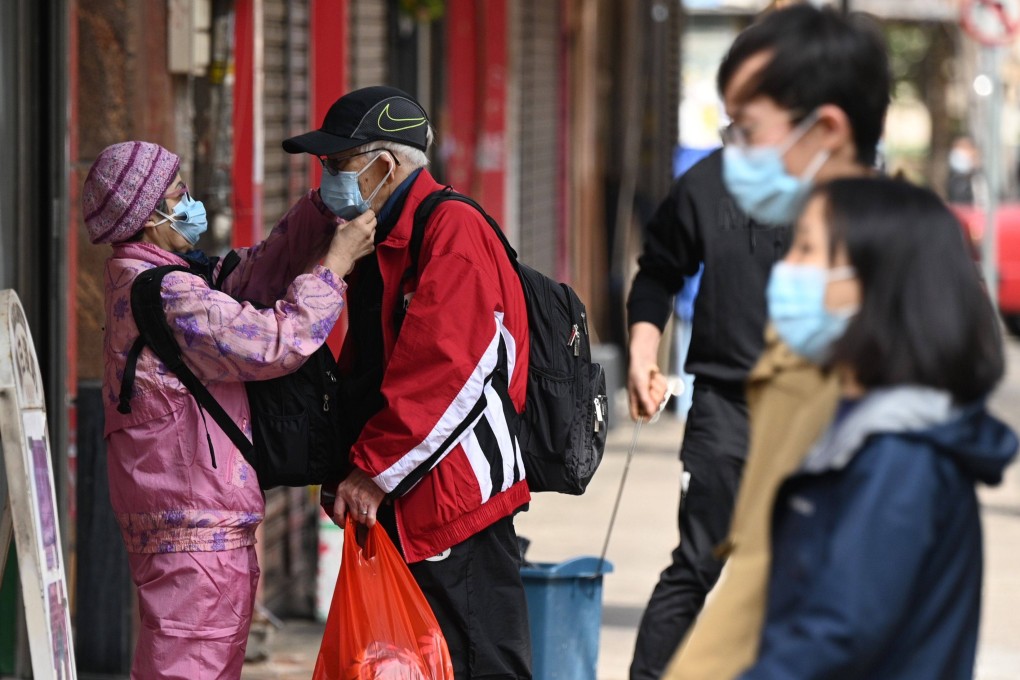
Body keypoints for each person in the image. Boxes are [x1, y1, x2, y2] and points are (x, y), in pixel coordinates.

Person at [626, 5, 891, 678]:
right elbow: (658, 273)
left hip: (822, 411)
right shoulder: (706, 184)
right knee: (697, 566)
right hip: (726, 410)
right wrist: (642, 356)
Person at [83, 140, 376, 678]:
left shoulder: (157, 278)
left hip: (194, 519)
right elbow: (274, 342)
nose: (191, 202)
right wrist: (335, 265)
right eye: (179, 193)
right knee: (192, 665)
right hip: (194, 525)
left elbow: (251, 274)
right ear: (148, 215)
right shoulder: (171, 295)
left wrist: (320, 209)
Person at [282, 86, 532, 679]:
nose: (328, 180)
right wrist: (347, 466)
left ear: (385, 164)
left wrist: (372, 470)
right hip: (405, 491)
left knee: (474, 662)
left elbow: (449, 371)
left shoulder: (451, 231)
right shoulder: (377, 236)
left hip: (453, 500)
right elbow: (371, 363)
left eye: (340, 163)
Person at [740, 177, 1016, 678]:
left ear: (873, 283)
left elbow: (837, 633)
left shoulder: (900, 459)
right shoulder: (859, 426)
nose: (787, 268)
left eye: (807, 250)